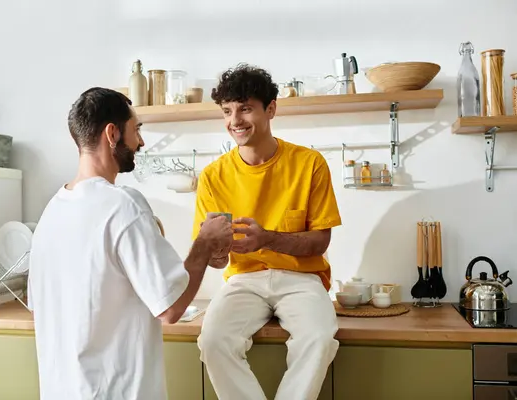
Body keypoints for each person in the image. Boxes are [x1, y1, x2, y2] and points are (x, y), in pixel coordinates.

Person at [27, 87, 233, 400]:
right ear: (112, 133)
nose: (140, 142)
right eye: (135, 129)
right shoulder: (123, 205)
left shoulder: (51, 212)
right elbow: (171, 307)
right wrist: (204, 244)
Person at [192, 65, 342, 400]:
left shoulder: (309, 164)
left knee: (318, 338)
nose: (235, 121)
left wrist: (268, 238)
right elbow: (214, 260)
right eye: (227, 111)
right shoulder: (214, 176)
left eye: (245, 108)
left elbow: (321, 241)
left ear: (270, 108)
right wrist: (214, 251)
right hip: (243, 280)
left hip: (302, 279)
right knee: (212, 340)